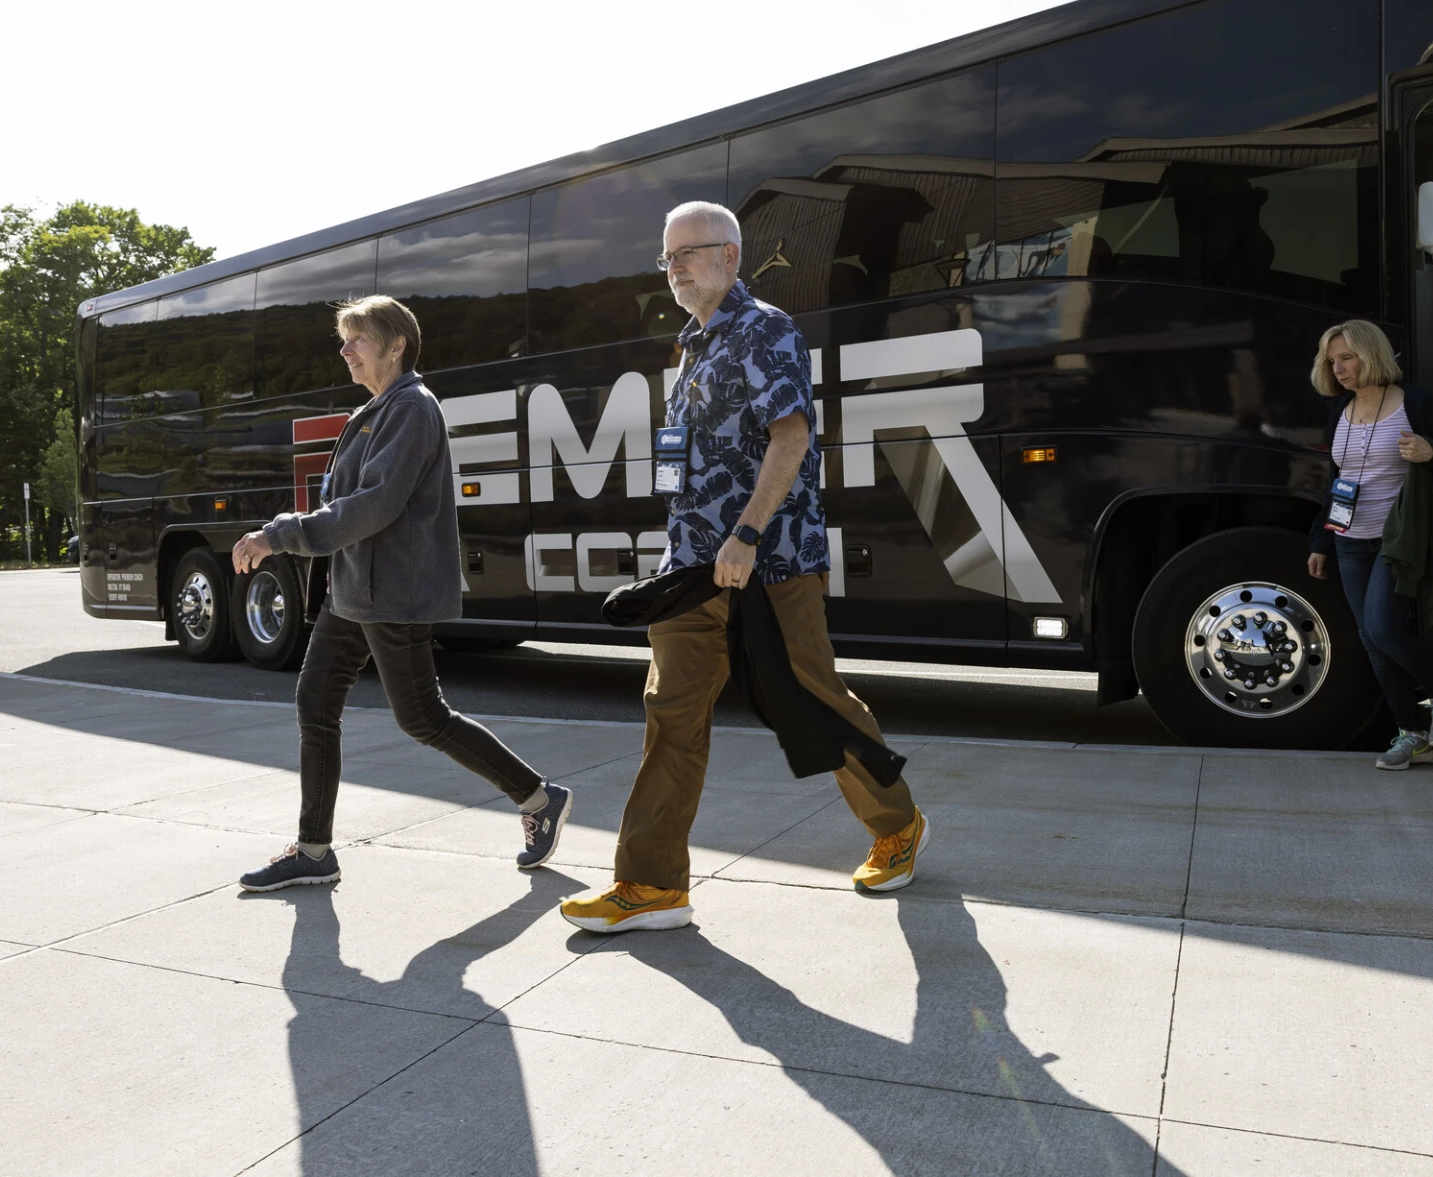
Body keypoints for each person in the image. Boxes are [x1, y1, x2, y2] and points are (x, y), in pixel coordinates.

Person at [558, 202, 927, 934]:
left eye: (687, 253)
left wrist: (748, 533)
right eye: (666, 258)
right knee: (671, 713)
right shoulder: (690, 347)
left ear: (729, 254)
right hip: (692, 567)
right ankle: (651, 884)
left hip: (771, 559)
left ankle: (898, 823)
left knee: (812, 695)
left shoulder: (767, 330)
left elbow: (791, 437)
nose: (675, 268)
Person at [232, 296, 572, 892]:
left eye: (356, 339)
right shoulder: (375, 411)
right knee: (316, 705)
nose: (344, 351)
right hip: (354, 592)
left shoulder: (409, 409)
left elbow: (374, 505)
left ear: (395, 346)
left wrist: (281, 534)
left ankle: (538, 798)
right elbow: (347, 505)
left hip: (393, 593)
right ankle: (314, 850)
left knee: (423, 718)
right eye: (344, 340)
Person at [1306, 319, 1433, 770]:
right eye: (1332, 360)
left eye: (1347, 358)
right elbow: (1337, 482)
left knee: (1382, 627)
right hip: (1348, 539)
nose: (1338, 368)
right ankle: (1411, 734)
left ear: (1371, 354)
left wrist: (1430, 451)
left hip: (1397, 539)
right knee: (1372, 640)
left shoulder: (1412, 403)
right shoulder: (1341, 409)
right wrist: (1321, 539)